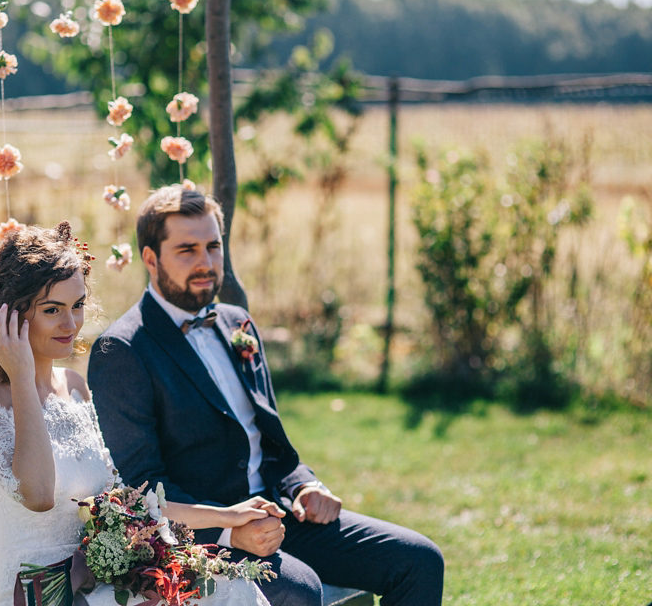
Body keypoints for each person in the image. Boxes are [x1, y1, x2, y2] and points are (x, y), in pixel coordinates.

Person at [0, 222, 273, 606]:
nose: (71, 323)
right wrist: (22, 376)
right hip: (25, 590)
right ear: (8, 316)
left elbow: (121, 500)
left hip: (93, 583)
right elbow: (39, 496)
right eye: (51, 309)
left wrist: (228, 516)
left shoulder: (74, 388)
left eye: (76, 305)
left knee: (229, 588)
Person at [87, 186, 445, 606]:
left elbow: (266, 441)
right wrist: (227, 530)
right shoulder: (123, 350)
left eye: (213, 246)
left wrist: (303, 485)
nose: (205, 263)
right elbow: (142, 487)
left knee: (420, 560)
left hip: (280, 513)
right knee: (300, 589)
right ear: (151, 259)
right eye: (187, 250)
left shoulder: (237, 322)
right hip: (204, 535)